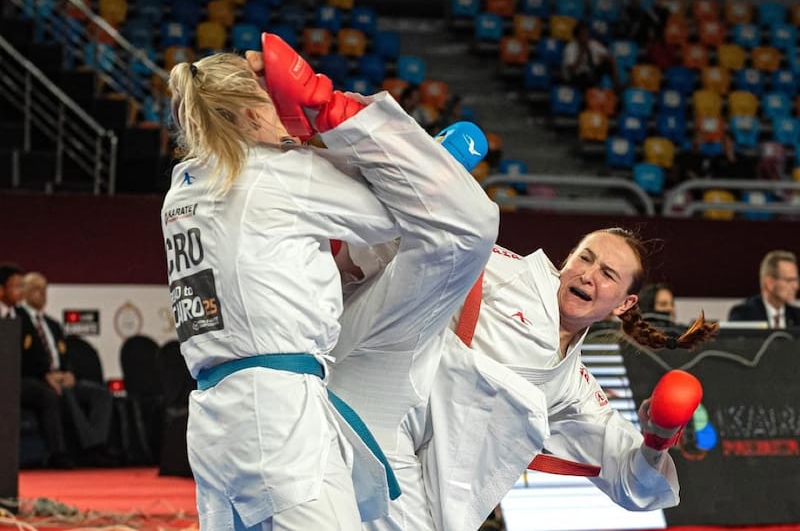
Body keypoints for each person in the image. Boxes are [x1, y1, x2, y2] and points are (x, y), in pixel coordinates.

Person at [163, 32, 498, 530]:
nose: (290, 120)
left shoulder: (184, 188)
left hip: (217, 415)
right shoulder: (276, 174)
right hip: (278, 411)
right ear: (254, 114)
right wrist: (339, 115)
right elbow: (410, 214)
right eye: (277, 106)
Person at [329, 228, 719, 531]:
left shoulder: (572, 387)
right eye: (584, 258)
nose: (587, 274)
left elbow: (634, 483)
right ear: (565, 261)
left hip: (435, 473)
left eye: (607, 273)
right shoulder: (505, 272)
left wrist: (658, 437)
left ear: (623, 303)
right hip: (382, 415)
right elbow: (414, 242)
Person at [18, 272, 114, 468]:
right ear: (25, 292)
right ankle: (89, 449)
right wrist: (46, 376)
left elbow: (65, 355)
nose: (42, 294)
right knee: (64, 393)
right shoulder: (18, 320)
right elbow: (21, 358)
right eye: (36, 289)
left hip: (62, 377)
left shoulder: (53, 325)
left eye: (44, 289)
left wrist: (69, 373)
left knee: (101, 394)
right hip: (36, 379)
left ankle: (98, 442)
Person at [728, 250, 800, 328]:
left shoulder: (797, 316)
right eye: (789, 280)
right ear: (770, 283)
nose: (796, 286)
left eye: (796, 280)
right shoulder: (744, 315)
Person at [562, 21, 619, 90]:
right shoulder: (570, 48)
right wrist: (581, 54)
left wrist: (603, 57)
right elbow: (572, 70)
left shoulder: (592, 44)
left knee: (608, 63)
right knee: (585, 76)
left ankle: (617, 85)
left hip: (590, 73)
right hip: (575, 77)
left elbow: (610, 57)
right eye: (583, 34)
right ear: (577, 36)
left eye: (587, 34)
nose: (586, 37)